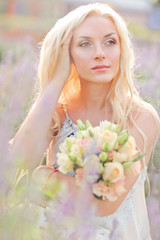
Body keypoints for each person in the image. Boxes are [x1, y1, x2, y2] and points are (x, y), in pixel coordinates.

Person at [11, 2, 160, 240]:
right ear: (66, 54)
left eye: (110, 42)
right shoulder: (59, 111)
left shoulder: (141, 117)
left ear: (122, 49)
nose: (100, 52)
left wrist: (43, 176)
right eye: (84, 44)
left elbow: (103, 205)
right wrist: (55, 82)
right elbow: (18, 159)